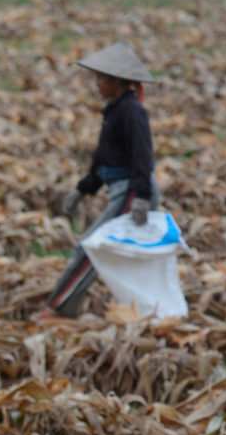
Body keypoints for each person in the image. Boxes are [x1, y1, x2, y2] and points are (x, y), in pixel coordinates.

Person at [36, 41, 162, 319]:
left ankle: (58, 310)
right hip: (123, 190)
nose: (97, 84)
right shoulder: (117, 109)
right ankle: (144, 314)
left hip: (131, 192)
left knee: (92, 248)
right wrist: (82, 190)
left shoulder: (131, 111)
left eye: (101, 79)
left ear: (118, 80)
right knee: (102, 251)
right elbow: (105, 159)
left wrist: (141, 197)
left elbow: (142, 154)